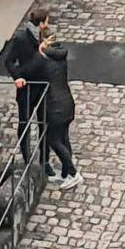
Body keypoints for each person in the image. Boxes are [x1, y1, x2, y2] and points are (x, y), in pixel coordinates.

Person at [38, 26, 79, 184]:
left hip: (55, 107)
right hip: (67, 103)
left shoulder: (46, 61)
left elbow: (35, 69)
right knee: (64, 137)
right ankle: (65, 174)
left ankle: (73, 173)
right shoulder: (60, 55)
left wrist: (40, 50)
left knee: (53, 139)